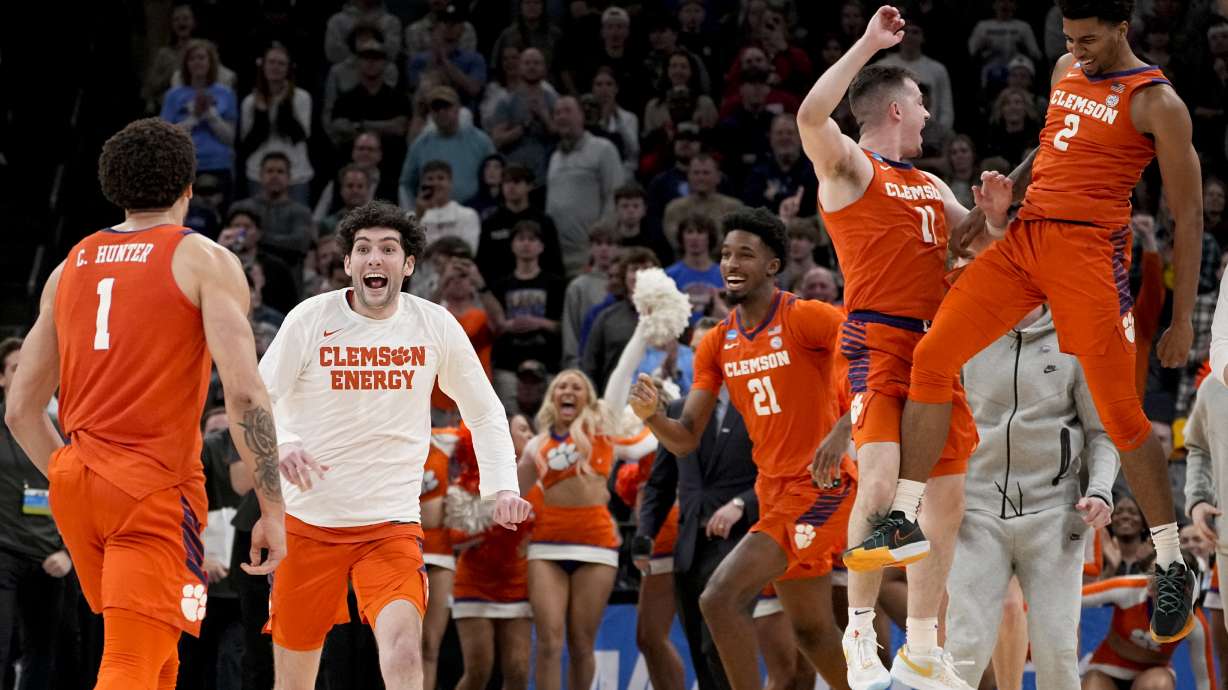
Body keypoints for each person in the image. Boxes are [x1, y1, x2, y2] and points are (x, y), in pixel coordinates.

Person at [873, 0, 1204, 645]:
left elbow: (1188, 218)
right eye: (1071, 39)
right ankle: (905, 513)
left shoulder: (1156, 102)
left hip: (1090, 257)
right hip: (1025, 242)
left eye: (1091, 40)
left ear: (1123, 30)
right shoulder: (1064, 70)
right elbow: (1049, 146)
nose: (1079, 50)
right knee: (933, 355)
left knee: (1120, 415)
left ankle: (1171, 561)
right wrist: (1003, 197)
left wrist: (1182, 316)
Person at [4, 117, 286, 689]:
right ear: (188, 187)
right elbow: (246, 392)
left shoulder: (71, 265)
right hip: (151, 487)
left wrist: (67, 470)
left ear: (115, 187)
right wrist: (275, 508)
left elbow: (19, 409)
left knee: (160, 656)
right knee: (132, 661)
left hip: (79, 483)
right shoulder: (203, 259)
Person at [256, 200, 531, 689]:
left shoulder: (434, 324)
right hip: (307, 523)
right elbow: (258, 398)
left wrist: (502, 488)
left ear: (407, 266)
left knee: (405, 652)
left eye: (387, 249)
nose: (374, 259)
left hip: (390, 526)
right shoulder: (310, 318)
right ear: (348, 264)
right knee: (294, 680)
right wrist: (285, 444)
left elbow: (486, 410)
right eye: (363, 249)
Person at [795, 7, 979, 686]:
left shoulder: (930, 185)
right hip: (877, 338)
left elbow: (982, 247)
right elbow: (811, 119)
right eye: (922, 103)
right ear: (897, 109)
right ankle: (860, 635)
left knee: (947, 501)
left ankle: (924, 650)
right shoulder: (852, 171)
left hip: (940, 346)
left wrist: (995, 210)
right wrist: (869, 44)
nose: (930, 116)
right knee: (878, 483)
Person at [629, 207, 855, 690]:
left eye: (746, 254)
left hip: (821, 486)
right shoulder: (717, 342)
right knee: (813, 633)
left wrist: (844, 430)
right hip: (773, 491)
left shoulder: (807, 317)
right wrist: (654, 419)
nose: (731, 263)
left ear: (773, 265)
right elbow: (686, 436)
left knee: (719, 598)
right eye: (727, 254)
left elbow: (871, 356)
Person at [944, 305, 1120, 689]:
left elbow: (1102, 433)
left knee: (1057, 652)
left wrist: (1101, 489)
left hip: (1055, 513)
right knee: (963, 648)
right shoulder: (965, 330)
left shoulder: (1077, 338)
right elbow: (936, 416)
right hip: (976, 509)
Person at [635, 318, 758, 690]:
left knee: (718, 640)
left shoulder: (758, 400)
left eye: (714, 346)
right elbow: (661, 480)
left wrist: (742, 502)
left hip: (743, 540)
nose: (707, 355)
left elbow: (783, 469)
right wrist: (645, 533)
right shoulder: (676, 409)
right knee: (701, 651)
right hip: (688, 544)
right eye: (699, 349)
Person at [516, 368, 644, 690]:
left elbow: (619, 377)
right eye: (561, 386)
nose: (568, 391)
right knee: (548, 643)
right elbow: (512, 492)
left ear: (588, 398)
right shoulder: (537, 445)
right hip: (546, 547)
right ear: (552, 397)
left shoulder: (601, 431)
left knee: (581, 643)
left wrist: (644, 328)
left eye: (576, 386)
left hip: (596, 547)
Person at [0, 338, 71, 689]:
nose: (25, 371)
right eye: (15, 367)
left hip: (49, 554)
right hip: (4, 552)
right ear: (2, 378)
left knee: (43, 654)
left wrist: (68, 552)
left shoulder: (64, 428)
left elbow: (80, 495)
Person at [451, 417, 536, 690]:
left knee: (519, 671)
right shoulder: (470, 481)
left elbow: (549, 526)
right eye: (522, 430)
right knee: (478, 672)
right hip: (474, 583)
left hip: (517, 583)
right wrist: (492, 514)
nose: (531, 435)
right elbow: (455, 536)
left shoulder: (538, 480)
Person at [1081, 555, 1214, 689]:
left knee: (1157, 685)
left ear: (1187, 588)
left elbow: (1205, 680)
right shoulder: (1127, 588)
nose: (1153, 580)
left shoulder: (1195, 623)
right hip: (1105, 669)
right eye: (1153, 572)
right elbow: (1075, 598)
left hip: (1153, 676)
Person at [545, 96, 624, 277]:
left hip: (588, 254)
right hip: (558, 255)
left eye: (567, 111)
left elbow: (615, 196)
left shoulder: (603, 149)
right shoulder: (554, 157)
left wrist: (601, 244)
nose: (561, 117)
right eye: (557, 113)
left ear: (581, 116)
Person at [160, 39, 238, 204]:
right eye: (192, 58)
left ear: (211, 62)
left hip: (219, 165)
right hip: (184, 167)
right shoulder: (173, 96)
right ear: (185, 64)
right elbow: (166, 137)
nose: (197, 62)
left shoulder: (226, 94)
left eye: (202, 58)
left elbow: (230, 138)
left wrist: (210, 114)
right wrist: (194, 117)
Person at [239, 43, 314, 203]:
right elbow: (248, 142)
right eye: (271, 62)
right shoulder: (250, 102)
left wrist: (281, 105)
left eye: (281, 64)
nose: (276, 67)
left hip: (296, 173)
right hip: (258, 172)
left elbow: (299, 135)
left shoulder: (302, 98)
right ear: (263, 66)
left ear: (288, 68)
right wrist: (262, 113)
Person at [400, 86, 495, 208]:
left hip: (476, 212)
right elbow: (406, 184)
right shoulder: (420, 144)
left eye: (446, 106)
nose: (441, 112)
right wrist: (411, 213)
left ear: (458, 109)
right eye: (436, 108)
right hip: (432, 214)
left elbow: (495, 176)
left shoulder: (480, 140)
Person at [230, 152, 318, 278]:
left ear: (289, 177)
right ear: (260, 175)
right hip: (246, 278)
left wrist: (259, 238)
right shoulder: (241, 208)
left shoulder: (301, 212)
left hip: (289, 281)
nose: (274, 176)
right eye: (270, 171)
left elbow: (300, 244)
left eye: (280, 172)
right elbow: (232, 243)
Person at [476, 163, 564, 280]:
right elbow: (482, 263)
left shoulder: (544, 221)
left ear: (529, 186)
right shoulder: (490, 223)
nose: (511, 186)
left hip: (539, 288)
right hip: (498, 289)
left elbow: (554, 262)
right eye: (506, 182)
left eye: (517, 181)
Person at [561, 226, 620, 370]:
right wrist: (574, 366)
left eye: (610, 244)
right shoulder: (578, 286)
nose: (604, 249)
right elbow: (570, 330)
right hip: (586, 363)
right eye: (598, 244)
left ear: (618, 248)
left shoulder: (627, 284)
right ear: (590, 248)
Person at [662, 155, 744, 251]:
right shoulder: (674, 208)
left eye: (706, 173)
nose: (701, 177)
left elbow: (734, 241)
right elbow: (676, 242)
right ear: (688, 176)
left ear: (718, 177)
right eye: (696, 173)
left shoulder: (734, 207)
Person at [413, 160, 482, 253]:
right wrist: (419, 215)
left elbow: (470, 251)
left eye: (440, 178)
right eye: (430, 179)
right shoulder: (413, 217)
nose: (435, 183)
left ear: (450, 182)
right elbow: (409, 251)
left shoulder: (468, 215)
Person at [666, 214, 724, 323]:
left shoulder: (723, 275)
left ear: (709, 237)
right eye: (689, 232)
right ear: (682, 237)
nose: (694, 237)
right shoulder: (669, 276)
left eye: (700, 232)